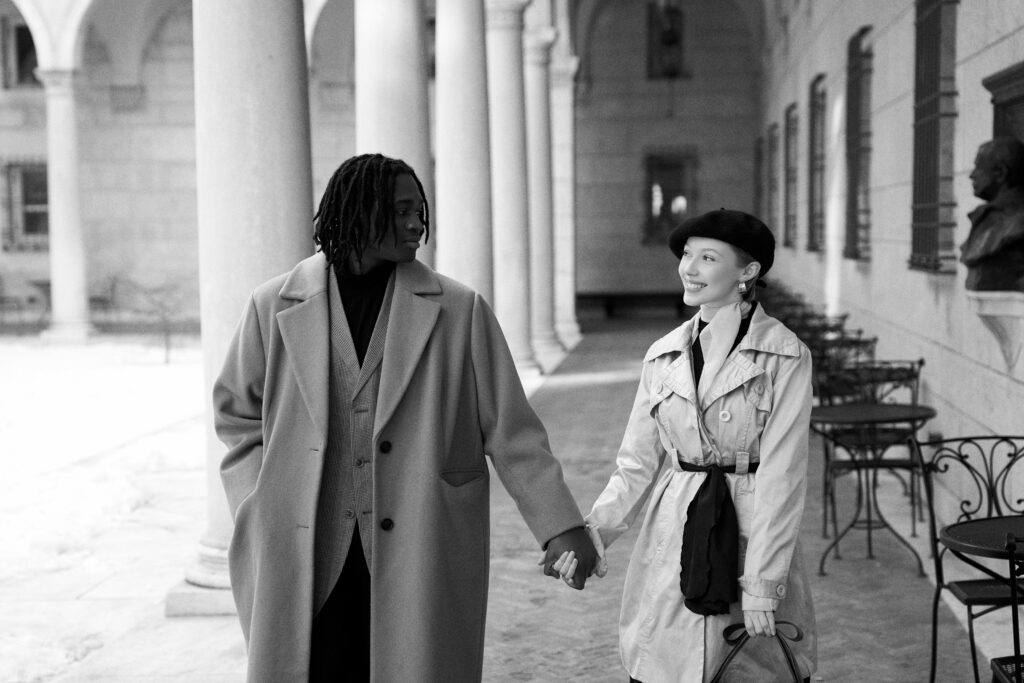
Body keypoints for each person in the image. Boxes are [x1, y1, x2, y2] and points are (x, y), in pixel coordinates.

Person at [213, 153, 597, 683]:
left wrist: (559, 526)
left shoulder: (459, 309)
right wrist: (258, 501)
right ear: (354, 212)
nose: (416, 224)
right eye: (398, 211)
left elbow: (511, 430)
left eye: (419, 210)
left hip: (420, 532)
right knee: (313, 663)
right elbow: (236, 416)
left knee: (412, 663)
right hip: (303, 539)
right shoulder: (271, 307)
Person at [557, 209, 817, 682]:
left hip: (749, 528)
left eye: (708, 257)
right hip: (673, 528)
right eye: (687, 255)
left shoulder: (785, 355)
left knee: (741, 668)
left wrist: (762, 585)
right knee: (662, 664)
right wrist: (594, 535)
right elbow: (635, 463)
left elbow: (784, 475)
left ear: (748, 271)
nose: (688, 268)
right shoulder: (663, 353)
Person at [960, 136, 1024, 292]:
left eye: (978, 167)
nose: (972, 175)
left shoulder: (1017, 222)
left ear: (1000, 173)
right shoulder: (986, 216)